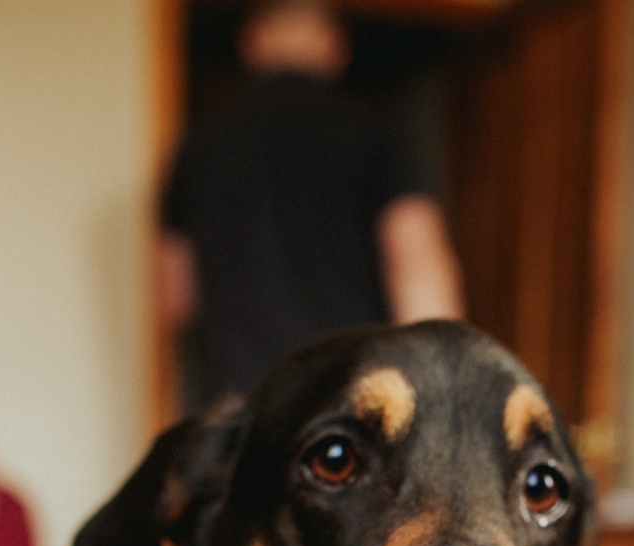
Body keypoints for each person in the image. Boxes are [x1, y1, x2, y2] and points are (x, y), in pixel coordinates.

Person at [157, 0, 465, 406]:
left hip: (237, 409)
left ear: (252, 42)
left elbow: (175, 300)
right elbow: (416, 265)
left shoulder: (199, 148)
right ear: (335, 47)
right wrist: (445, 392)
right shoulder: (375, 136)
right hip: (347, 402)